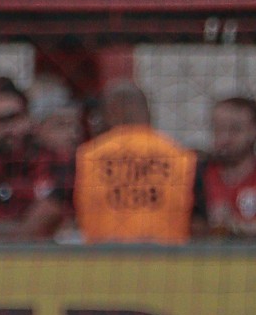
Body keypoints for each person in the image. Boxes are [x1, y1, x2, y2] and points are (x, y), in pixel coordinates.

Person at [72, 81, 196, 243]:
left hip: (104, 259)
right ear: (147, 111)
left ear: (113, 110)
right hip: (165, 259)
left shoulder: (87, 156)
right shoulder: (181, 156)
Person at [0, 80, 70, 238]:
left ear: (28, 118)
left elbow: (50, 217)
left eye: (14, 118)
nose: (8, 129)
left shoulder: (55, 161)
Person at [196, 95, 256, 236]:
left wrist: (235, 225)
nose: (225, 138)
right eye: (218, 129)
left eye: (235, 130)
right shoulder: (198, 172)